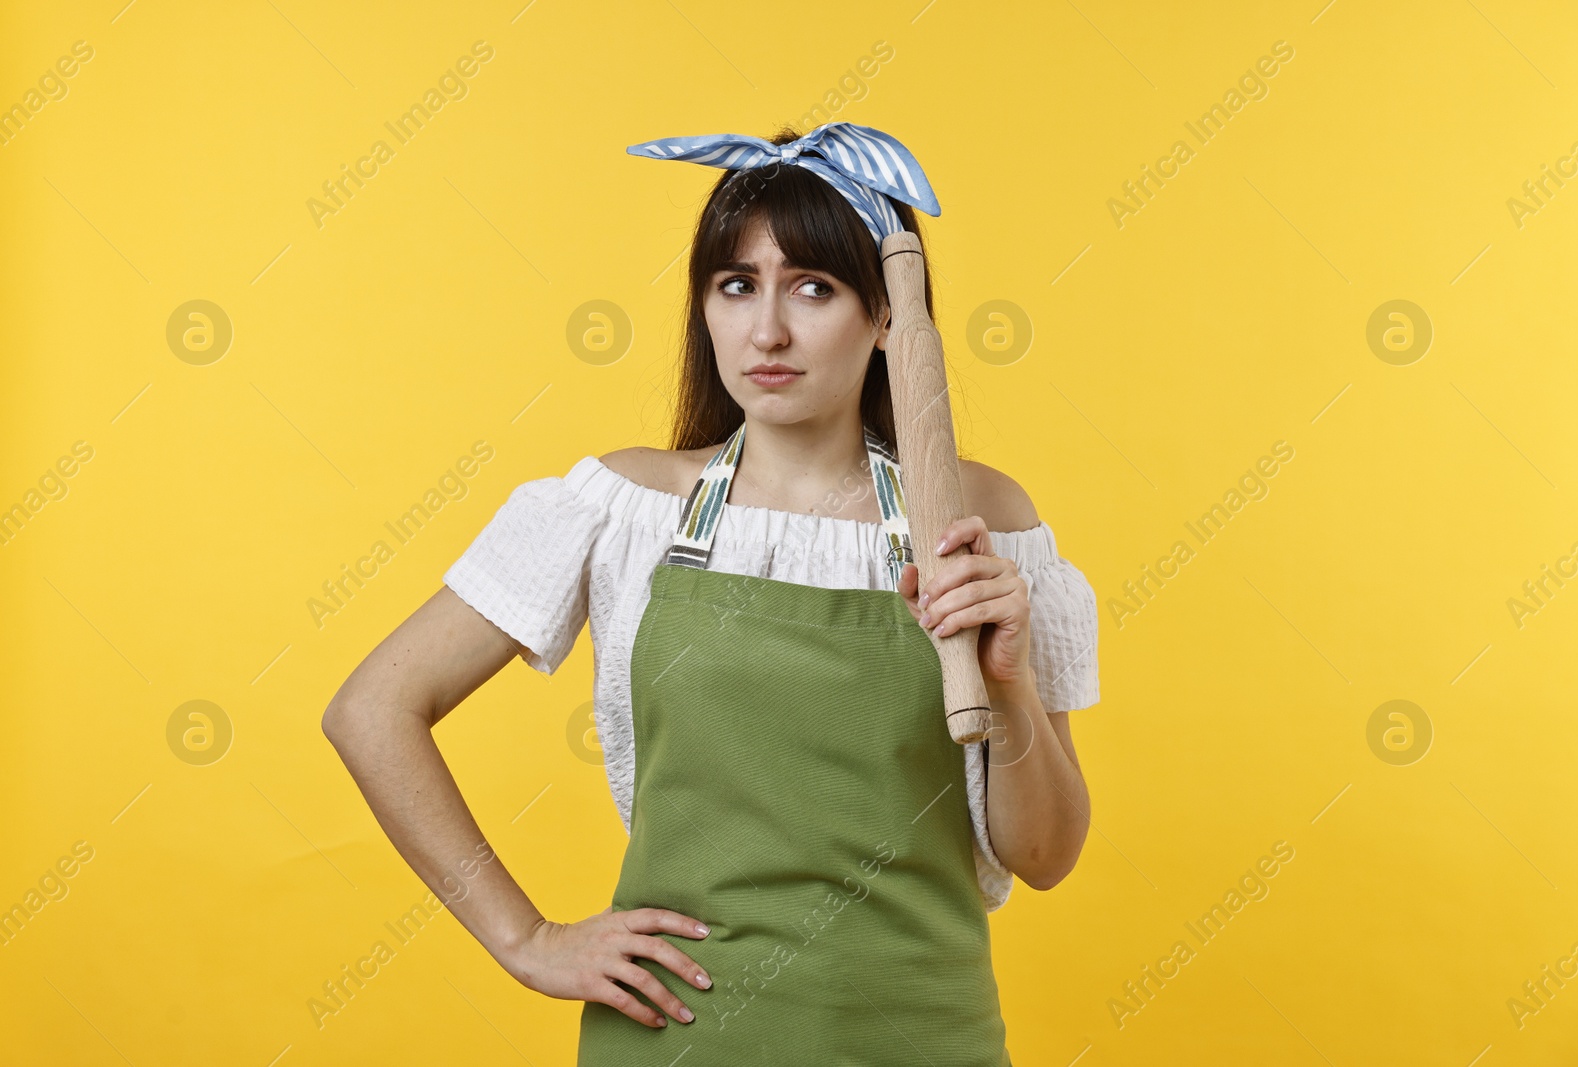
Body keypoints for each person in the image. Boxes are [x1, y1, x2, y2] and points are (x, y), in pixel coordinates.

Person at [322, 121, 1097, 1064]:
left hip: (924, 1038)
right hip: (678, 1042)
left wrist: (1007, 679)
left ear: (889, 314)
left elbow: (1047, 854)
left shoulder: (981, 522)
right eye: (737, 286)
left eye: (813, 287)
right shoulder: (622, 507)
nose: (767, 329)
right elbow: (373, 708)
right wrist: (526, 942)